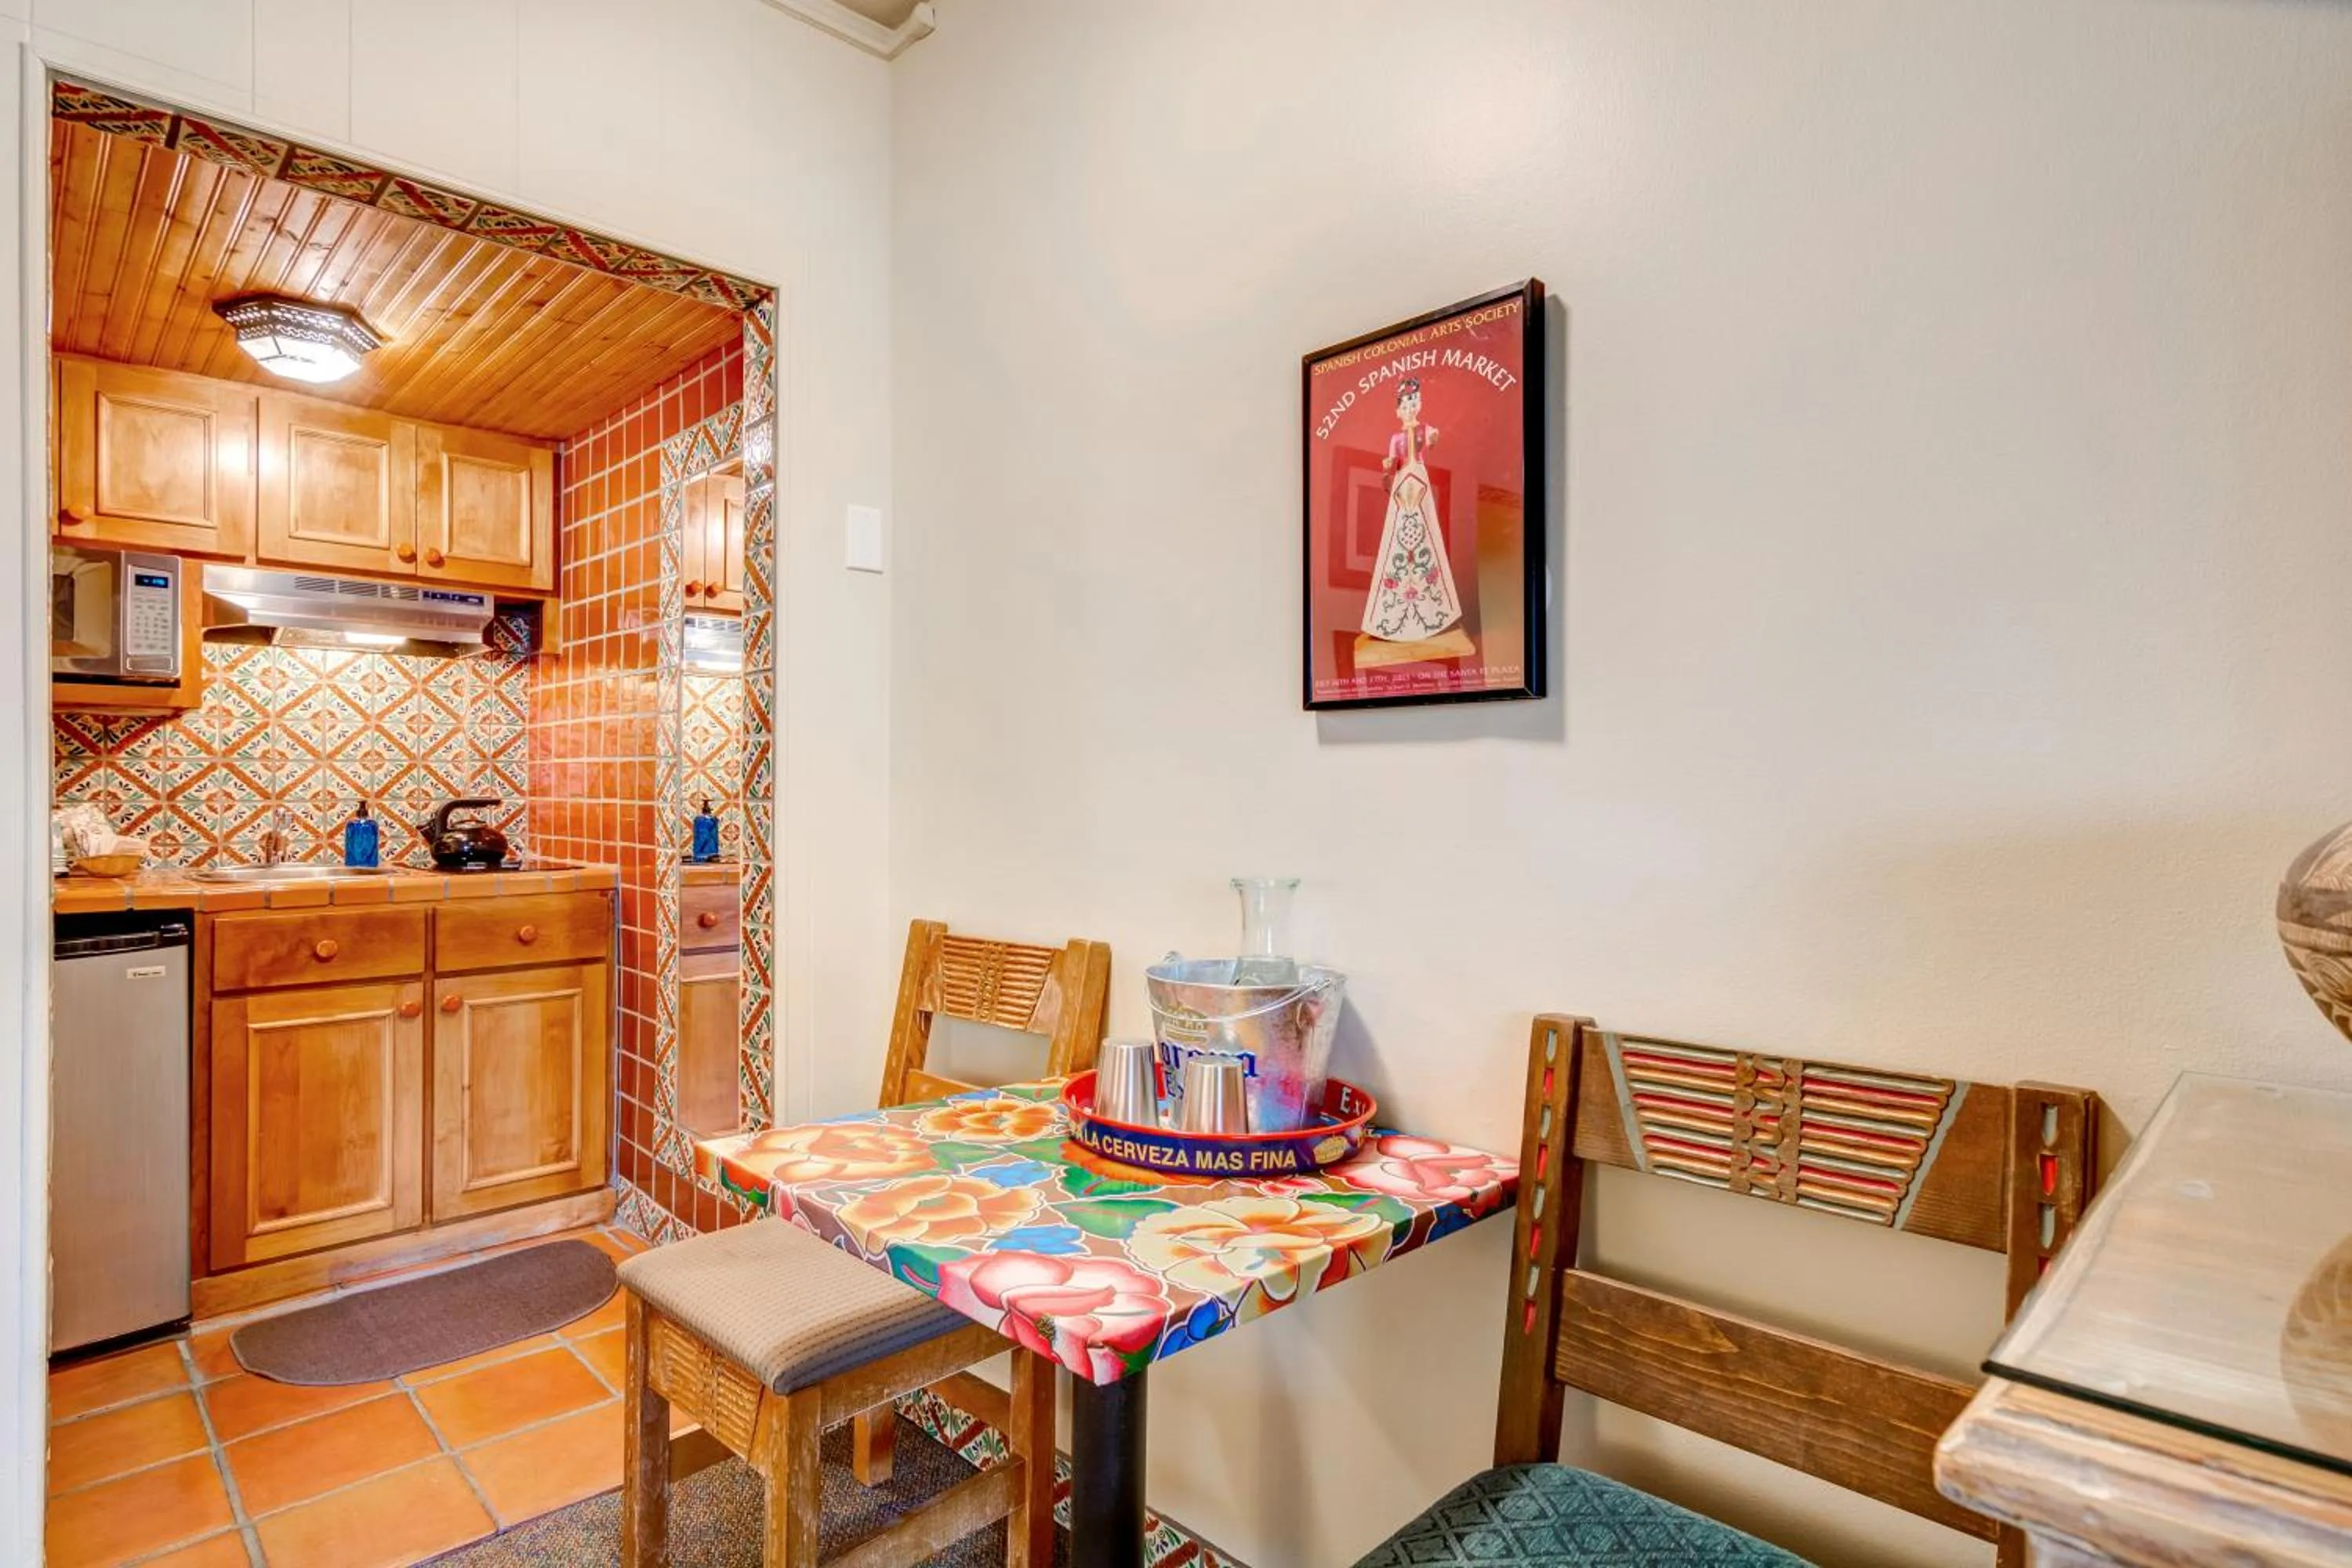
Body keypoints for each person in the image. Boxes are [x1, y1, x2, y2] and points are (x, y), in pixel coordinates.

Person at [1359, 377, 1464, 642]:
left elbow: (1433, 439)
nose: (1409, 408)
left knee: (1426, 531)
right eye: (1405, 405)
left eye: (1413, 402)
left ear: (1420, 403)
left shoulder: (1424, 429)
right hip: (1403, 481)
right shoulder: (1395, 438)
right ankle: (1392, 611)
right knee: (1399, 533)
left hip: (1419, 479)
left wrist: (1434, 436)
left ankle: (1435, 607)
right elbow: (1392, 464)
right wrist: (1387, 469)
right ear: (1398, 410)